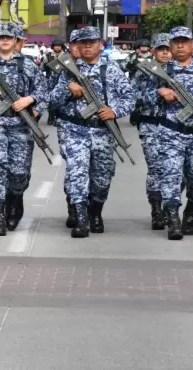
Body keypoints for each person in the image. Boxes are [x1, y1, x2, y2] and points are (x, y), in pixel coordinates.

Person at [139, 27, 193, 240]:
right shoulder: (160, 70)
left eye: (184, 42)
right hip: (170, 132)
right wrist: (159, 91)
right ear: (170, 45)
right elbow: (139, 95)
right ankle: (173, 220)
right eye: (176, 42)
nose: (180, 45)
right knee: (170, 176)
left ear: (192, 45)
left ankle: (190, 212)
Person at [50, 27, 133, 237]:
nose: (87, 46)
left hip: (103, 131)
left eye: (91, 42)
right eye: (83, 42)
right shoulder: (67, 70)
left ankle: (95, 212)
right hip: (74, 129)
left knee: (102, 177)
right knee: (77, 172)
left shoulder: (111, 70)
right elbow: (52, 101)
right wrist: (68, 87)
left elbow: (130, 98)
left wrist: (114, 111)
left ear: (100, 45)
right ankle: (81, 217)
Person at [0, 22, 47, 236]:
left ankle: (15, 200)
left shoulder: (28, 65)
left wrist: (30, 101)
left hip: (20, 123)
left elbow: (44, 93)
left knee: (18, 172)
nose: (5, 40)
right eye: (1, 37)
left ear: (16, 41)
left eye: (9, 37)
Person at [130, 33, 172, 230]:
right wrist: (156, 93)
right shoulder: (143, 71)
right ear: (153, 51)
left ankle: (169, 207)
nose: (166, 52)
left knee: (176, 170)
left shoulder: (181, 70)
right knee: (156, 168)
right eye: (161, 49)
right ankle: (156, 208)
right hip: (151, 125)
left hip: (176, 127)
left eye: (168, 48)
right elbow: (131, 96)